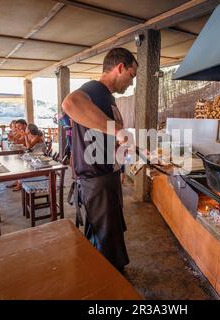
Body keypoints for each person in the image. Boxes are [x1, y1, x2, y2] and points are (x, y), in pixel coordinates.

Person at [62, 47, 138, 272]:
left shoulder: (107, 98)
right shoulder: (93, 89)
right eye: (131, 76)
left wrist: (121, 163)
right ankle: (107, 284)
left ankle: (110, 275)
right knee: (103, 236)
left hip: (107, 175)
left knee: (109, 233)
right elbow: (70, 103)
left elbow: (104, 137)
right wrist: (117, 131)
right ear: (120, 68)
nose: (131, 83)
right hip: (95, 178)